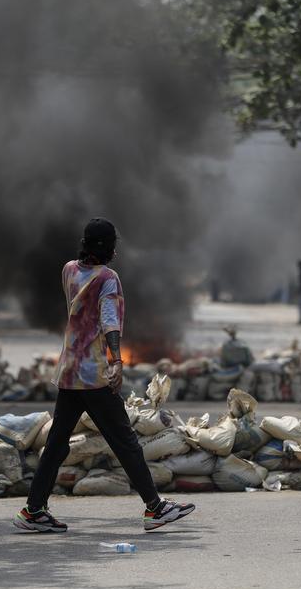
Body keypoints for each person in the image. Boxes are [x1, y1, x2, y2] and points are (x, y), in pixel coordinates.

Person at [14, 218, 195, 533]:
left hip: (70, 369)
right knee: (125, 440)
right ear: (108, 247)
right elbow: (109, 320)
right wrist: (116, 361)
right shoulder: (108, 278)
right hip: (94, 373)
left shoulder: (69, 269)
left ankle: (33, 510)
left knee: (57, 443)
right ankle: (155, 508)